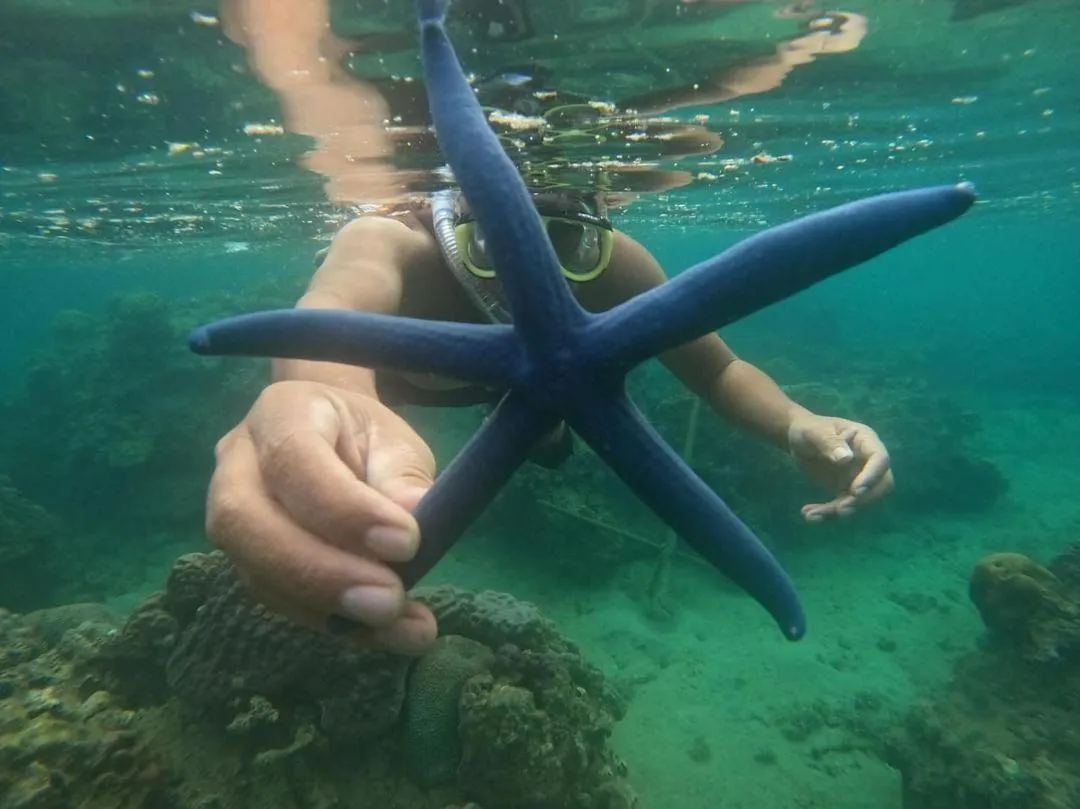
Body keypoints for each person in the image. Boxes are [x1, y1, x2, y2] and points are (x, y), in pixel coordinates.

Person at [205, 183, 895, 657]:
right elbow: (326, 320)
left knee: (545, 434)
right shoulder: (392, 241)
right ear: (454, 228)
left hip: (546, 392)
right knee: (535, 425)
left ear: (590, 231)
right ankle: (542, 424)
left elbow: (714, 368)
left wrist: (796, 423)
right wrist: (330, 398)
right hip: (400, 392)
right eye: (491, 249)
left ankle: (547, 428)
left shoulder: (613, 263)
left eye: (563, 244)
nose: (528, 272)